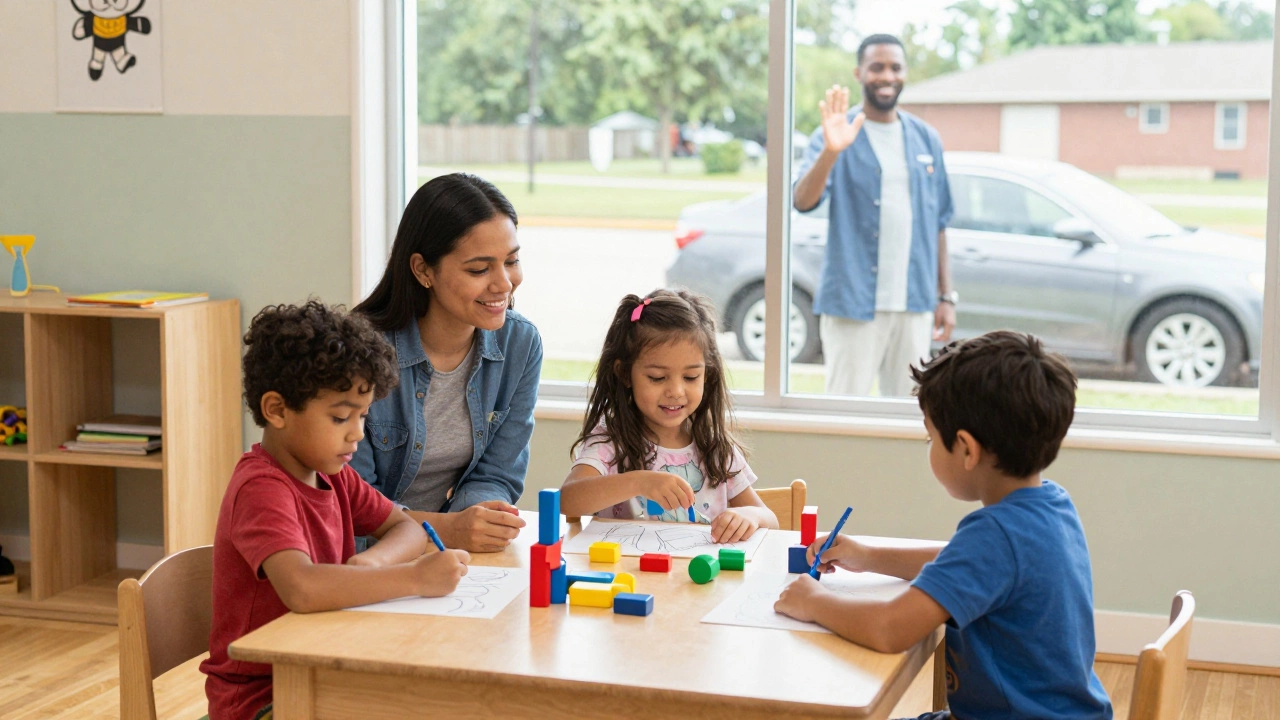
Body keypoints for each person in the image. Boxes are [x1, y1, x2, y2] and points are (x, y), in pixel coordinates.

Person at [774, 331, 1113, 720]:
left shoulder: (995, 536)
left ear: (967, 449)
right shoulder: (1051, 504)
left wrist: (814, 602)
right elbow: (959, 564)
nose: (929, 447)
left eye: (930, 438)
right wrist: (866, 556)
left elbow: (890, 629)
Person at [201, 301, 471, 720]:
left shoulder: (331, 475)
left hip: (322, 667)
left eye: (362, 416)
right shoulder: (261, 488)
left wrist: (372, 562)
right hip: (264, 698)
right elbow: (302, 588)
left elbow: (408, 526)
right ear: (277, 410)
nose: (358, 433)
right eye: (341, 416)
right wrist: (413, 576)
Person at [352, 173, 541, 553]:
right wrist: (447, 531)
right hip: (358, 561)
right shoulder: (358, 351)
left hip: (441, 558)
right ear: (423, 270)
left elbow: (496, 474)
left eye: (512, 261)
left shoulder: (520, 344)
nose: (504, 283)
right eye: (479, 269)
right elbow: (351, 503)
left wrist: (476, 522)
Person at [793, 33, 957, 397]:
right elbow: (802, 200)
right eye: (877, 67)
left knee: (908, 418)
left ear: (905, 73)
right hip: (853, 304)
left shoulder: (926, 139)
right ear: (859, 73)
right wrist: (831, 153)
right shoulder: (836, 132)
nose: (887, 76)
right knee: (844, 413)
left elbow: (939, 223)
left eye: (895, 67)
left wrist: (945, 296)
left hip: (914, 306)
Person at [560, 289, 778, 542]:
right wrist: (638, 483)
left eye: (690, 377)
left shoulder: (716, 448)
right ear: (624, 373)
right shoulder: (611, 441)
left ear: (707, 375)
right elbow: (567, 500)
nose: (675, 391)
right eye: (657, 378)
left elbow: (770, 519)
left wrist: (750, 516)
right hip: (629, 578)